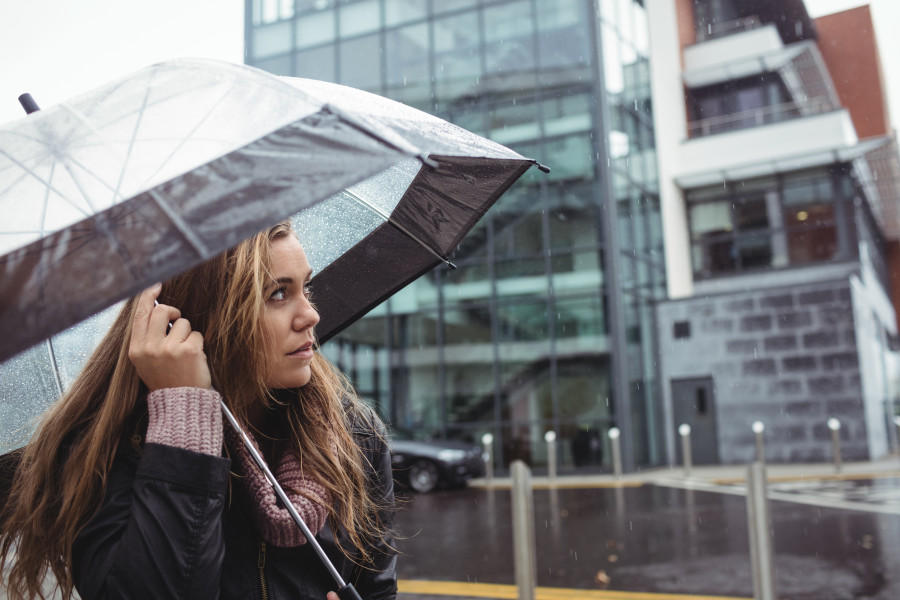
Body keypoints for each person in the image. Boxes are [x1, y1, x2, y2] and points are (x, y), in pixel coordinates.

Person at [0, 221, 397, 600]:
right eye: (277, 294)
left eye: (305, 288)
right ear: (200, 318)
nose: (311, 314)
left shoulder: (355, 436)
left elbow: (377, 589)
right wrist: (183, 416)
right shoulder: (105, 453)